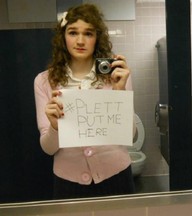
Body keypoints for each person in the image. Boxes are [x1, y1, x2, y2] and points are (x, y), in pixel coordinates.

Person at [34, 3, 135, 199]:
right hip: (68, 181)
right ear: (63, 37)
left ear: (97, 38)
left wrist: (119, 94)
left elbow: (130, 136)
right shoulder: (44, 82)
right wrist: (55, 127)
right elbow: (48, 149)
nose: (80, 40)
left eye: (88, 33)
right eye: (73, 32)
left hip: (116, 175)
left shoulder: (116, 76)